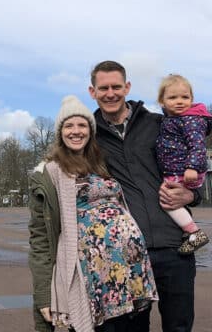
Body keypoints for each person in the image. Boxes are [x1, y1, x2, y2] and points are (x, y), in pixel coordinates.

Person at [88, 60, 205, 332]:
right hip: (126, 250)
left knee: (179, 325)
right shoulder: (89, 134)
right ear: (92, 91)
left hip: (173, 245)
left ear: (127, 87)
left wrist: (192, 196)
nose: (111, 93)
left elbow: (188, 168)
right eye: (103, 88)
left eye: (116, 86)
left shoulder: (159, 123)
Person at [28, 95, 158, 332]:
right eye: (69, 126)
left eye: (82, 125)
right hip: (92, 280)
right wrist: (43, 295)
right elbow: (39, 239)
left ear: (90, 130)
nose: (75, 131)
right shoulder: (49, 173)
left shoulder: (103, 163)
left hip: (130, 273)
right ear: (60, 132)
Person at [156, 74, 210, 255]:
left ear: (192, 99)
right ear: (161, 101)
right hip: (178, 169)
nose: (179, 101)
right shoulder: (170, 120)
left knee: (167, 201)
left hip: (185, 171)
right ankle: (190, 232)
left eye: (185, 97)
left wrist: (192, 167)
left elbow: (198, 145)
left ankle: (194, 232)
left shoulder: (191, 120)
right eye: (173, 97)